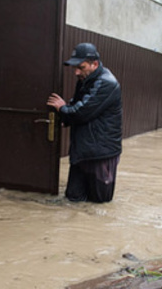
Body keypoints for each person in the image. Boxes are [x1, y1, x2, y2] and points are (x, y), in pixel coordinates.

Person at [47, 42, 122, 203]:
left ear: (94, 64)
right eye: (75, 67)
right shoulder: (85, 79)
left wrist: (62, 109)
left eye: (81, 67)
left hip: (101, 154)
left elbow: (81, 112)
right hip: (82, 150)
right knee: (73, 200)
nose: (76, 72)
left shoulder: (106, 83)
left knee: (98, 204)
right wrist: (66, 116)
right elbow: (76, 104)